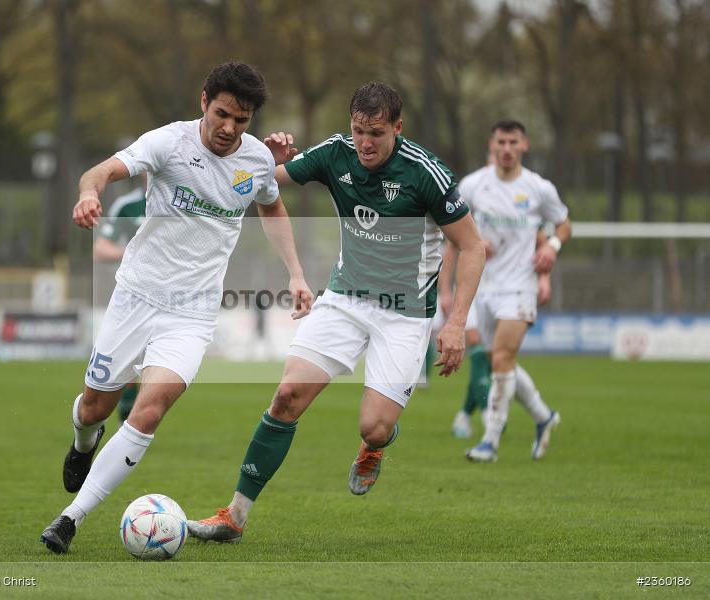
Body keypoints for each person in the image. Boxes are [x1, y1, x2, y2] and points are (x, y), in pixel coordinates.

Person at [187, 81, 485, 544]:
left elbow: (472, 247)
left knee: (376, 424)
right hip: (345, 299)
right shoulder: (336, 153)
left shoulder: (426, 173)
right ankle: (234, 516)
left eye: (377, 133)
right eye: (359, 130)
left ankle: (375, 447)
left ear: (398, 129)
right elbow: (263, 184)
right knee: (286, 397)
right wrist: (256, 162)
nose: (365, 142)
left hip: (405, 314)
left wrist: (457, 322)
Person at [39, 61, 313, 554]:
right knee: (94, 406)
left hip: (192, 313)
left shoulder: (254, 159)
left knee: (149, 411)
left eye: (242, 120)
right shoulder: (168, 142)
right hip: (136, 297)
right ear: (203, 101)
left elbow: (271, 204)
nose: (230, 128)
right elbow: (101, 170)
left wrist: (294, 271)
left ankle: (69, 519)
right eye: (223, 114)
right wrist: (87, 192)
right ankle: (83, 441)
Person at [459, 119, 571, 462]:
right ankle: (543, 416)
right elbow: (451, 224)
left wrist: (551, 246)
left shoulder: (538, 188)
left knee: (504, 358)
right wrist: (475, 242)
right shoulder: (474, 185)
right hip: (484, 285)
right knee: (499, 362)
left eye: (513, 143)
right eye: (501, 143)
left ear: (525, 145)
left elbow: (564, 224)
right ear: (492, 146)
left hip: (519, 286)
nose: (507, 149)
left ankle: (490, 441)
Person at [92, 181, 146, 423]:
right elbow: (100, 250)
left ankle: (132, 421)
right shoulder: (128, 206)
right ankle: (127, 416)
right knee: (128, 364)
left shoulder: (185, 199)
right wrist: (135, 252)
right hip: (132, 295)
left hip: (173, 297)